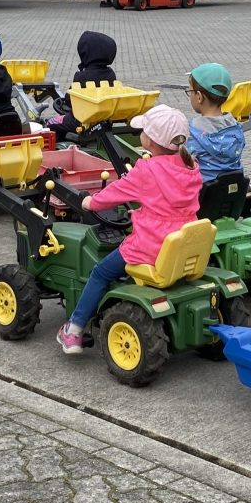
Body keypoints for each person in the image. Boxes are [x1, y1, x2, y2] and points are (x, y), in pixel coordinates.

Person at [56, 104, 202, 354]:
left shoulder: (147, 170)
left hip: (150, 247)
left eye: (142, 130)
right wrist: (142, 213)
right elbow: (171, 206)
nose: (139, 134)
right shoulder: (191, 167)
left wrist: (90, 201)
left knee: (101, 272)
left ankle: (74, 330)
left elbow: (114, 193)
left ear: (150, 141)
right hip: (184, 243)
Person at [45, 31, 117, 140]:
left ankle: (59, 146)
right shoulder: (111, 74)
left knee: (50, 123)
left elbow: (69, 100)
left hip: (79, 121)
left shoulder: (81, 76)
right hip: (102, 120)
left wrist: (66, 101)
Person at [185, 63, 244, 182]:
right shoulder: (236, 128)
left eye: (190, 91)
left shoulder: (193, 132)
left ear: (199, 96)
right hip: (233, 191)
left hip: (203, 195)